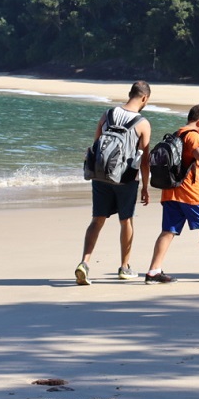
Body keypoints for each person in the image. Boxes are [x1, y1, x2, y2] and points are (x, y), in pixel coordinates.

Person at [142, 104, 199, 285]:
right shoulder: (192, 135)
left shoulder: (178, 133)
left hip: (171, 191)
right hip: (190, 192)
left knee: (168, 231)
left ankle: (154, 271)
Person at [75, 81, 152, 285]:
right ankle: (125, 267)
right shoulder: (142, 123)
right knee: (126, 221)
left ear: (130, 94)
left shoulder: (107, 114)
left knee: (97, 220)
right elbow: (145, 160)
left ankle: (84, 262)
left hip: (100, 176)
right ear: (144, 98)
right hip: (126, 179)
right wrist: (145, 186)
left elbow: (96, 145)